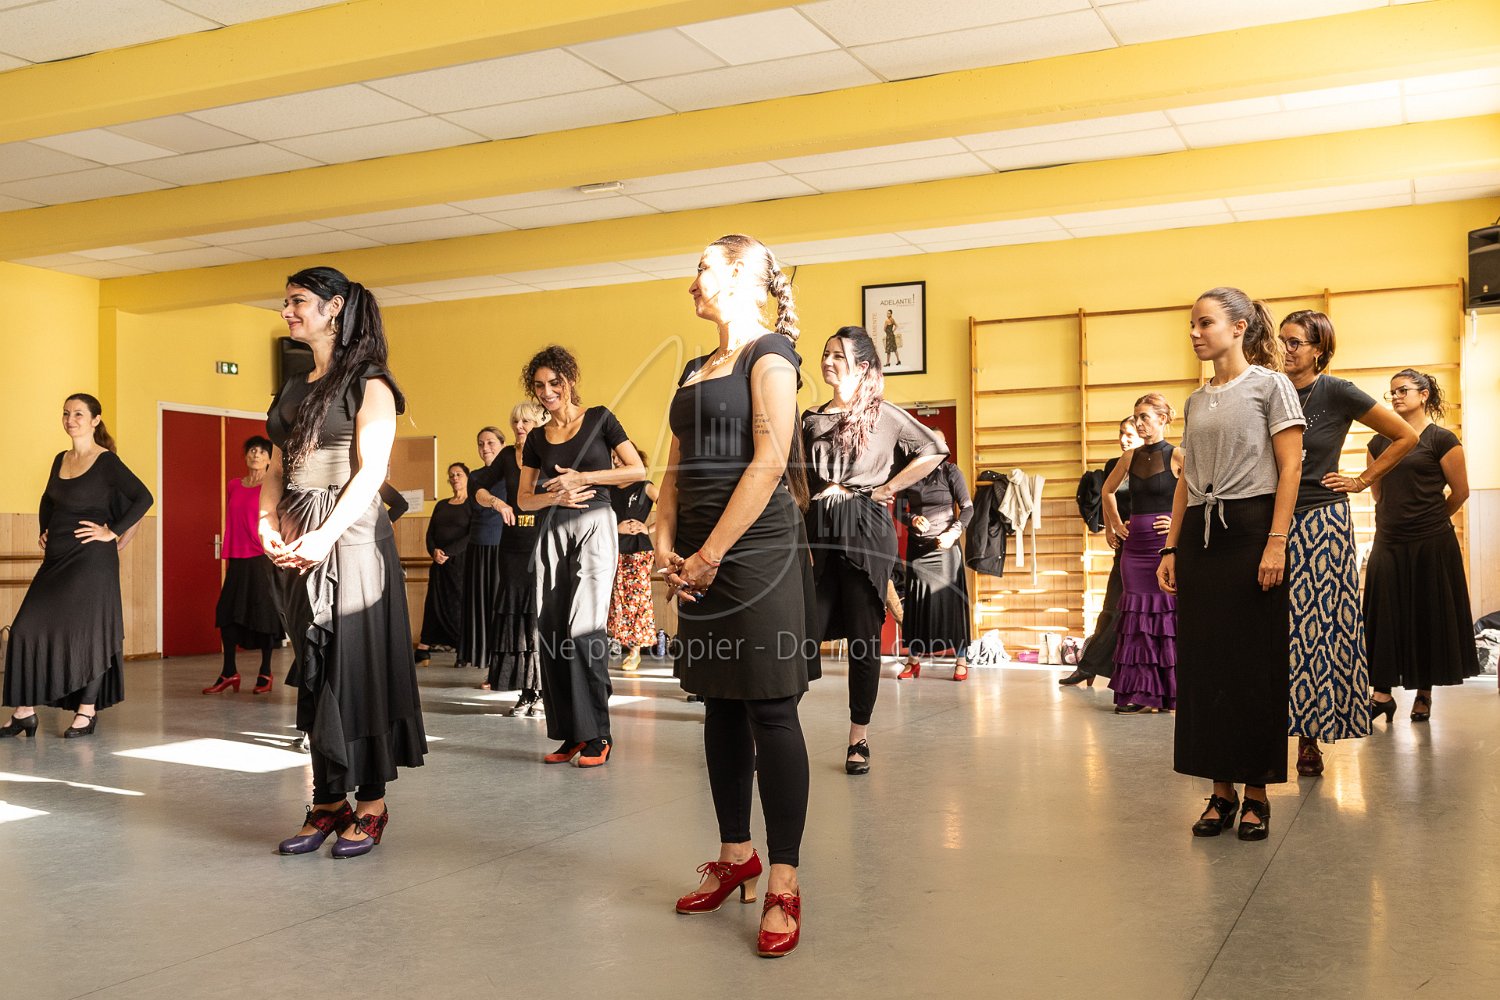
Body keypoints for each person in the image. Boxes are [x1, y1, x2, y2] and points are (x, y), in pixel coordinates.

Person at [660, 233, 816, 959]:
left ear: (744, 279)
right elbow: (673, 468)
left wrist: (710, 555)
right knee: (719, 705)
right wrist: (665, 541)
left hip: (753, 554)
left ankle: (783, 880)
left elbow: (771, 459)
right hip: (696, 555)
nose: (691, 281)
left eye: (702, 268)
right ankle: (736, 856)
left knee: (770, 708)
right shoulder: (694, 367)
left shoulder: (769, 355)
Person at [261, 266, 426, 858]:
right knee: (316, 668)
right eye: (286, 302)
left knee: (356, 669)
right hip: (298, 533)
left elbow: (372, 471)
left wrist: (325, 535)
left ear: (334, 308)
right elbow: (277, 467)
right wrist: (266, 522)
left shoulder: (370, 382)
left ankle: (372, 804)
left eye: (298, 301)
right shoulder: (293, 385)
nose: (287, 311)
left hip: (350, 537)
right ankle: (328, 801)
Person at [1157, 287, 1304, 843]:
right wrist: (1172, 547)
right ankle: (1220, 791)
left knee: (1253, 665)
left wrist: (1276, 541)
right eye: (1192, 325)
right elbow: (1186, 481)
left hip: (1252, 531)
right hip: (1200, 537)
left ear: (1239, 327)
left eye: (1205, 323)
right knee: (1207, 667)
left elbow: (1290, 468)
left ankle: (1257, 793)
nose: (1195, 333)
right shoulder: (1196, 401)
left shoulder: (1271, 385)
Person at [802, 326, 946, 775]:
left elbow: (934, 449)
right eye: (826, 353)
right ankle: (773, 730)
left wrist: (888, 487)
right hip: (818, 533)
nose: (828, 361)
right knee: (800, 635)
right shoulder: (810, 418)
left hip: (865, 532)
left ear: (863, 366)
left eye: (838, 356)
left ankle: (858, 738)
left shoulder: (884, 415)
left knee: (864, 640)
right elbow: (796, 477)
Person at [1277, 312, 1416, 774]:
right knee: (1274, 628)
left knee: (1315, 630)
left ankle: (1310, 738)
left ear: (1319, 349)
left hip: (1322, 520)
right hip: (1270, 521)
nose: (1285, 349)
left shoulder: (1336, 391)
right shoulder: (1270, 389)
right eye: (1282, 341)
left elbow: (1405, 436)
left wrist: (1361, 479)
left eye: (1295, 342)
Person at [516, 345, 644, 768]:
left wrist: (584, 477)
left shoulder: (600, 418)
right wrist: (554, 494)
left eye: (555, 382)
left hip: (595, 525)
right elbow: (523, 499)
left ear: (569, 380)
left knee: (583, 628)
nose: (548, 392)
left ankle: (598, 734)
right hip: (551, 529)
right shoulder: (537, 438)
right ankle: (571, 733)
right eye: (539, 386)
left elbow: (636, 470)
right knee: (551, 628)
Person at [2, 394, 151, 739]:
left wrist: (112, 531)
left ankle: (87, 711)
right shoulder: (61, 459)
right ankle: (24, 712)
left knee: (90, 633)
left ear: (95, 420)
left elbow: (143, 497)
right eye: (66, 413)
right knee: (25, 628)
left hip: (91, 561)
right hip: (56, 560)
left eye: (79, 414)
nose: (71, 419)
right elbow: (47, 499)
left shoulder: (107, 462)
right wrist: (45, 529)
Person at [1363, 368, 1478, 723]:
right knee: (1384, 615)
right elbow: (1378, 494)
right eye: (1392, 392)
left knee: (1425, 615)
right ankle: (1382, 694)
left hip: (1431, 543)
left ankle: (1423, 693)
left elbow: (1460, 492)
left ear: (1424, 394)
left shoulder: (1442, 439)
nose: (1396, 397)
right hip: (1389, 540)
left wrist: (1429, 520)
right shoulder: (1378, 443)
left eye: (1403, 390)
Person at [1101, 394, 1183, 714]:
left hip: (1165, 547)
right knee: (1137, 620)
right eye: (1136, 417)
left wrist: (1178, 523)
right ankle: (1140, 693)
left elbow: (1200, 493)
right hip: (1134, 549)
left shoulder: (1178, 455)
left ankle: (1171, 694)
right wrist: (1113, 524)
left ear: (1162, 419)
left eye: (1144, 417)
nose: (1138, 423)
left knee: (1166, 617)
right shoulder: (1129, 457)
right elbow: (1107, 491)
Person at [475, 403, 547, 711]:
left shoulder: (549, 452)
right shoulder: (506, 456)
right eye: (515, 421)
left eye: (525, 421)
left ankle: (543, 691)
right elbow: (477, 487)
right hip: (512, 547)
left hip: (542, 544)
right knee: (516, 619)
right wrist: (497, 503)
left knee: (538, 618)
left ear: (538, 423)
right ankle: (526, 692)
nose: (519, 426)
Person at [1060, 417, 1142, 687]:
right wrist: (1110, 528)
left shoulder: (1156, 463)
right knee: (1111, 606)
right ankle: (1088, 666)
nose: (1123, 439)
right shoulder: (1113, 465)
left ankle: (1101, 668)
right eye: (1121, 433)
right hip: (1125, 545)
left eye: (1129, 434)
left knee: (1134, 612)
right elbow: (1108, 499)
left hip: (1150, 545)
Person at [204, 435, 283, 695]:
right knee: (227, 614)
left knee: (264, 616)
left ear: (270, 459)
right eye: (252, 450)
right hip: (237, 558)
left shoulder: (273, 488)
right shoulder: (234, 485)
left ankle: (265, 672)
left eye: (262, 451)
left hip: (262, 559)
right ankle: (229, 672)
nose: (256, 454)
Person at [895, 435, 974, 681]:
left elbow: (968, 508)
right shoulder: (910, 474)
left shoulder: (951, 472)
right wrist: (912, 519)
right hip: (918, 549)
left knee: (952, 604)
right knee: (917, 604)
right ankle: (913, 661)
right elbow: (898, 510)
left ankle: (961, 660)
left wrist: (953, 533)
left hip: (946, 548)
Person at [459, 426, 513, 673]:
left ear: (502, 445)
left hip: (503, 548)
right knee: (480, 607)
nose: (485, 448)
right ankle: (485, 659)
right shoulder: (476, 477)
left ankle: (502, 662)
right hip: (478, 549)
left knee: (498, 606)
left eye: (491, 442)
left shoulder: (512, 474)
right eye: (481, 444)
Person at [414, 462, 472, 665]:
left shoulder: (472, 505)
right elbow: (430, 533)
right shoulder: (441, 505)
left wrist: (448, 552)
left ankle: (462, 649)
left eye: (459, 474)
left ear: (467, 477)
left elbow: (471, 535)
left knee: (457, 606)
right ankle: (423, 649)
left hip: (460, 564)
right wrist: (434, 551)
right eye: (451, 475)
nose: (454, 478)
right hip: (439, 564)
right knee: (433, 604)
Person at [608, 445, 658, 672]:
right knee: (615, 598)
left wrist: (648, 528)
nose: (616, 460)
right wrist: (615, 527)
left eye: (619, 456)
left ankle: (634, 651)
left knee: (636, 599)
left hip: (639, 551)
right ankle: (614, 642)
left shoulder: (645, 486)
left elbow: (671, 509)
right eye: (612, 457)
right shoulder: (607, 489)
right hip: (612, 548)